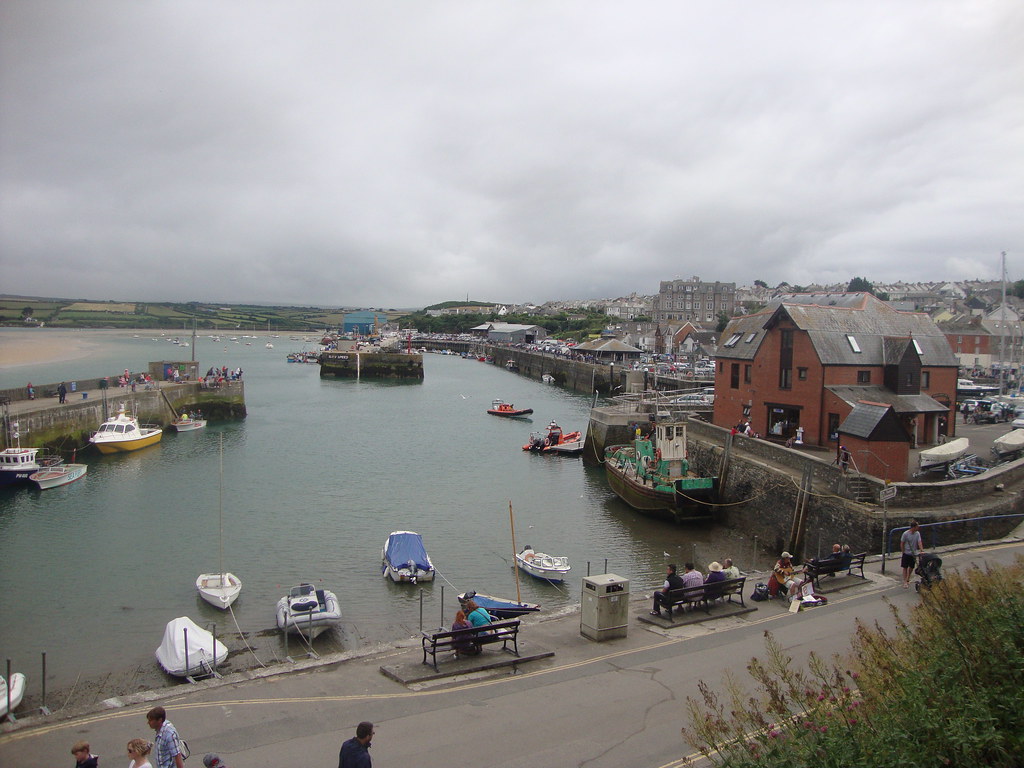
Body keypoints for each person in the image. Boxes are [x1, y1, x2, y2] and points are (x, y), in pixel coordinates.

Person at [900, 520, 924, 588]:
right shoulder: (905, 534)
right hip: (906, 553)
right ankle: (905, 581)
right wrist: (903, 551)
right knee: (905, 567)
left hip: (913, 553)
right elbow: (902, 543)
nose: (918, 528)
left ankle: (908, 578)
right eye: (917, 526)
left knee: (911, 567)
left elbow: (919, 542)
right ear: (913, 527)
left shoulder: (917, 533)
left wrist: (921, 550)